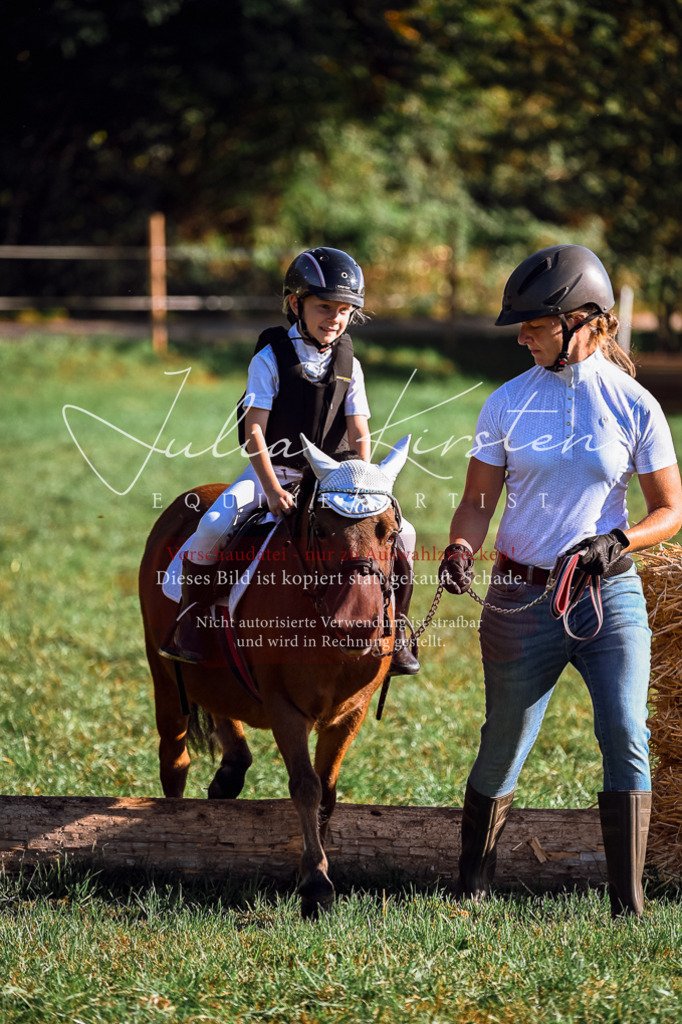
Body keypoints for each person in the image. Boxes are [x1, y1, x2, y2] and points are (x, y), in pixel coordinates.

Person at [438, 243, 682, 917]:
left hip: (610, 594)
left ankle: (628, 904)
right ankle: (472, 886)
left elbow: (670, 510)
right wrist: (462, 543)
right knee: (503, 742)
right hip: (521, 598)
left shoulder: (636, 405)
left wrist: (618, 540)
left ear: (583, 321)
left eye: (533, 324)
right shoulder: (508, 403)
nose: (521, 336)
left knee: (625, 731)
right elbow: (478, 502)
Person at [160, 246, 419, 675]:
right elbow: (254, 432)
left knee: (405, 535)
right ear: (296, 303)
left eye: (343, 310)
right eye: (323, 307)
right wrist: (273, 489)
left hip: (335, 480)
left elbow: (358, 430)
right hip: (274, 474)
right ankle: (191, 618)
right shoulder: (269, 358)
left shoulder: (349, 362)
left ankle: (399, 627)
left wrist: (362, 481)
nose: (334, 318)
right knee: (212, 523)